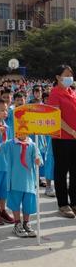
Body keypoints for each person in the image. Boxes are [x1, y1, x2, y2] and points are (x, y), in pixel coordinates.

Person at [0, 126, 41, 238]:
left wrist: (38, 160)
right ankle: (17, 224)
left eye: (24, 130)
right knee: (15, 204)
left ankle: (26, 223)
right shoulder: (10, 144)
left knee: (27, 204)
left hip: (29, 181)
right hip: (14, 180)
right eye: (18, 130)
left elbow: (38, 159)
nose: (21, 133)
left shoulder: (33, 145)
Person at [47, 65, 76, 218]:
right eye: (66, 74)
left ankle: (74, 202)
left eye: (71, 74)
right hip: (62, 138)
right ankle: (63, 204)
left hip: (74, 138)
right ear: (58, 77)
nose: (70, 77)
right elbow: (56, 116)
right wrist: (70, 130)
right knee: (61, 171)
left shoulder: (72, 92)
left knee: (75, 171)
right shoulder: (55, 93)